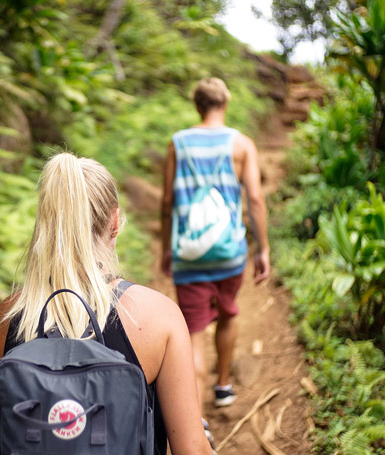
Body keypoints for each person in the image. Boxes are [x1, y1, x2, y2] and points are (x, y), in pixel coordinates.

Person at [0, 153, 213, 455]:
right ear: (115, 222)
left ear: (46, 222)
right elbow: (191, 450)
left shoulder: (8, 318)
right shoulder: (158, 317)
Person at [161, 77, 271, 418]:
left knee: (193, 333)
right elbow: (254, 197)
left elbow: (167, 202)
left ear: (197, 105)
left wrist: (168, 247)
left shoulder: (178, 143)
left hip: (188, 253)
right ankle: (223, 387)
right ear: (225, 104)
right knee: (227, 313)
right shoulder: (242, 145)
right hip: (229, 252)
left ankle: (195, 418)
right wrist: (262, 249)